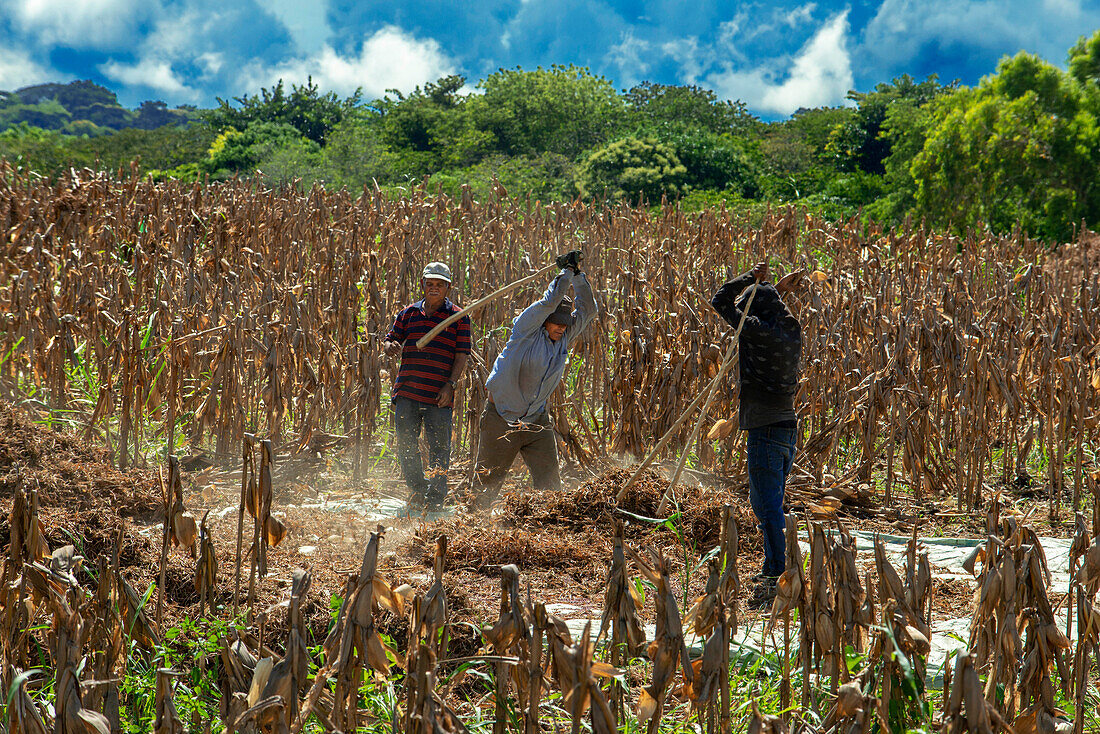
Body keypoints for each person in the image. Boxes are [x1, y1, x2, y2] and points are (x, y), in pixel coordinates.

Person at [466, 250, 598, 509]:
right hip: (501, 418)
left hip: (536, 421)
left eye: (565, 322)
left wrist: (578, 276)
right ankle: (471, 528)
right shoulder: (525, 331)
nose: (561, 327)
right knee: (484, 490)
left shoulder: (563, 338)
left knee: (551, 490)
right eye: (556, 323)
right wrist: (564, 273)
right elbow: (550, 303)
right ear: (544, 321)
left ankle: (550, 528)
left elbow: (589, 310)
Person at [711, 260, 803, 609]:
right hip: (786, 430)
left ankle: (778, 571)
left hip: (763, 431)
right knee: (772, 504)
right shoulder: (791, 329)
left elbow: (721, 301)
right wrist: (772, 288)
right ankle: (773, 564)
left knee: (766, 508)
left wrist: (750, 277)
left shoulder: (756, 330)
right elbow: (767, 305)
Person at [383, 262, 471, 511]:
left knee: (439, 447)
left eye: (439, 285)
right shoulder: (409, 314)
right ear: (423, 285)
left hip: (438, 394)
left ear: (448, 287)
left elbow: (462, 354)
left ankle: (435, 497)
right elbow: (391, 340)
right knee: (406, 443)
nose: (434, 288)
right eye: (430, 284)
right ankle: (418, 490)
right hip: (408, 391)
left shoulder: (458, 317)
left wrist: (450, 385)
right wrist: (390, 347)